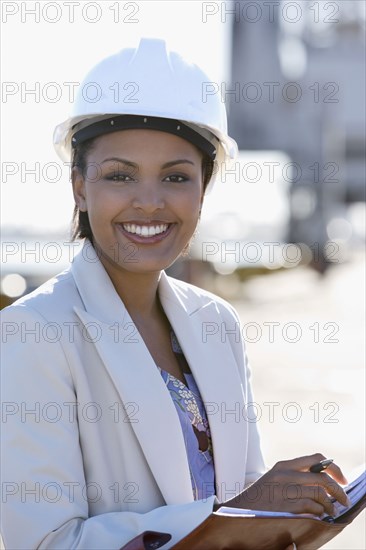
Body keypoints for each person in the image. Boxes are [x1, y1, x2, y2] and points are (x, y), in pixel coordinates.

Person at [1, 38, 349, 550]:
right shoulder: (33, 334)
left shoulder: (217, 322)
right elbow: (43, 543)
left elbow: (244, 515)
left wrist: (291, 519)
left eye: (176, 177)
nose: (149, 202)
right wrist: (234, 517)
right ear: (78, 186)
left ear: (203, 190)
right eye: (120, 175)